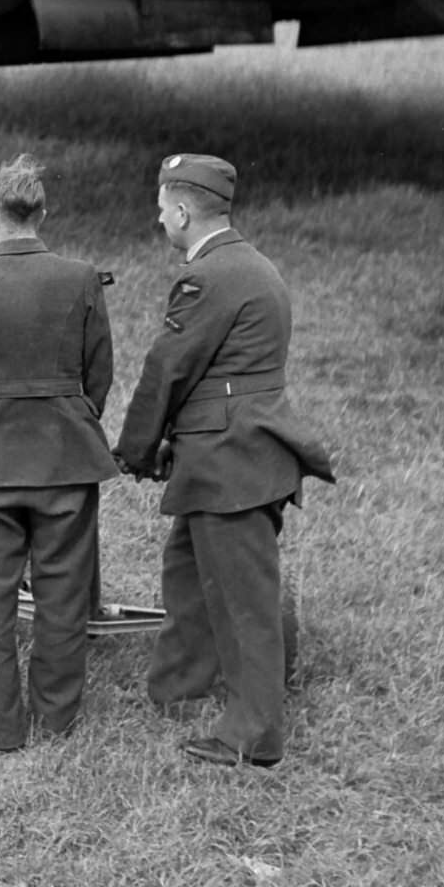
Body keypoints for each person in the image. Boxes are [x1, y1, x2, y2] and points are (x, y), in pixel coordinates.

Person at [115, 153, 335, 770]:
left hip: (228, 462)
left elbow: (168, 370)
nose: (158, 221)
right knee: (188, 571)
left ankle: (253, 735)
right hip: (233, 452)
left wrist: (135, 449)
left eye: (162, 210)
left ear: (183, 211)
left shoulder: (207, 277)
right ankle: (179, 686)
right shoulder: (254, 265)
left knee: (244, 601)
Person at [0, 154, 118, 752]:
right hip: (66, 457)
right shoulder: (82, 278)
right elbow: (100, 374)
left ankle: (0, 724)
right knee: (63, 595)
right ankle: (58, 718)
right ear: (42, 212)